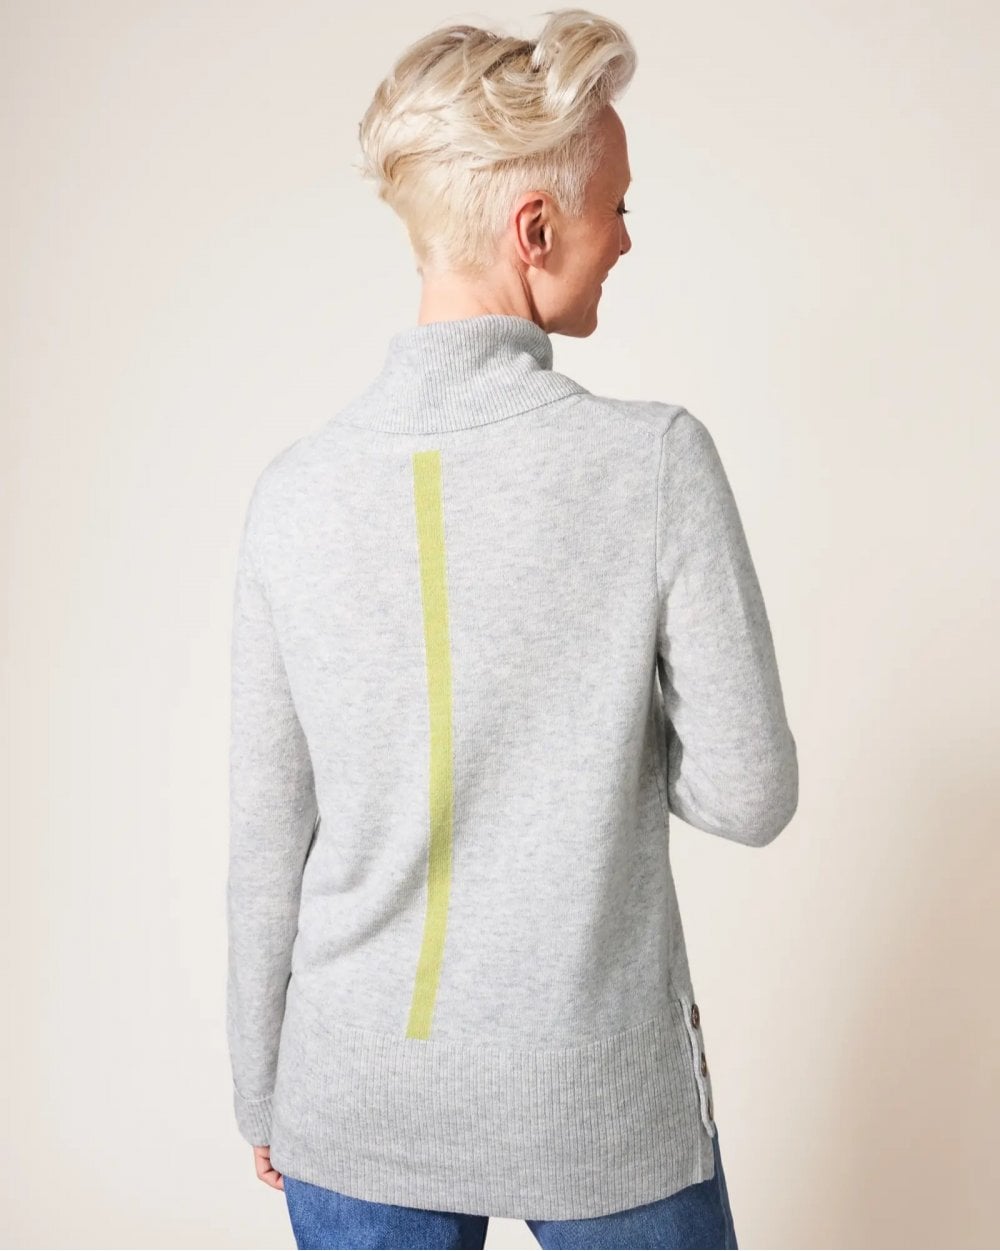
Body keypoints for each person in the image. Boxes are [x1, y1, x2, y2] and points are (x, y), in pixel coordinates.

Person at [225, 8, 798, 1249]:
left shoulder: (292, 494)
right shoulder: (653, 462)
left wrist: (259, 1087)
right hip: (594, 1092)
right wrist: (592, 736)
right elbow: (750, 793)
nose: (626, 237)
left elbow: (269, 830)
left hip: (348, 1091)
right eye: (617, 207)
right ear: (535, 230)